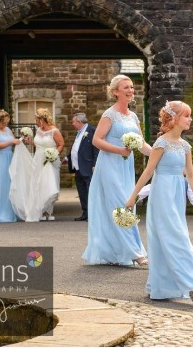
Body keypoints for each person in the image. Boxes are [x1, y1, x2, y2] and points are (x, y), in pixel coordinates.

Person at [125, 100, 193, 304]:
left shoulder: (185, 146)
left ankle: (160, 286)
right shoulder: (161, 143)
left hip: (176, 196)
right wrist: (132, 196)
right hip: (161, 196)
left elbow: (191, 175)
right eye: (187, 115)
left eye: (190, 116)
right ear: (174, 119)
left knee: (169, 240)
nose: (191, 119)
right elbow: (148, 172)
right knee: (178, 240)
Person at [82, 74, 151, 266]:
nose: (130, 90)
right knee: (120, 205)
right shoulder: (109, 114)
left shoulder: (134, 116)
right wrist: (120, 149)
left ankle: (115, 252)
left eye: (131, 87)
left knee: (128, 204)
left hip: (125, 167)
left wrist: (158, 156)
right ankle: (134, 251)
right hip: (109, 166)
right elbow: (97, 140)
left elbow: (142, 144)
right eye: (126, 88)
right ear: (115, 92)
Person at [9, 108, 64, 222]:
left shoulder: (54, 131)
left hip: (50, 160)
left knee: (49, 183)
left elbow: (61, 144)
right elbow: (37, 144)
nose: (36, 122)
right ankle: (41, 211)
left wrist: (54, 154)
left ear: (42, 119)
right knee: (37, 184)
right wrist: (30, 142)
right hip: (38, 159)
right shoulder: (38, 130)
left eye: (37, 119)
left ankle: (49, 212)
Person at [0, 109, 20, 223]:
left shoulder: (8, 129)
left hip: (9, 158)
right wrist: (12, 142)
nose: (6, 124)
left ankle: (10, 211)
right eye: (4, 122)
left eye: (7, 122)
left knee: (10, 183)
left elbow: (13, 140)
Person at [65, 113, 99, 222]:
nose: (72, 124)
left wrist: (95, 164)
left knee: (90, 191)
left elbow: (96, 149)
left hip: (88, 166)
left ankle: (92, 214)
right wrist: (68, 158)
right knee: (82, 192)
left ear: (79, 122)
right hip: (77, 167)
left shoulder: (92, 130)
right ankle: (85, 213)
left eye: (74, 121)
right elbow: (76, 148)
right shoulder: (79, 132)